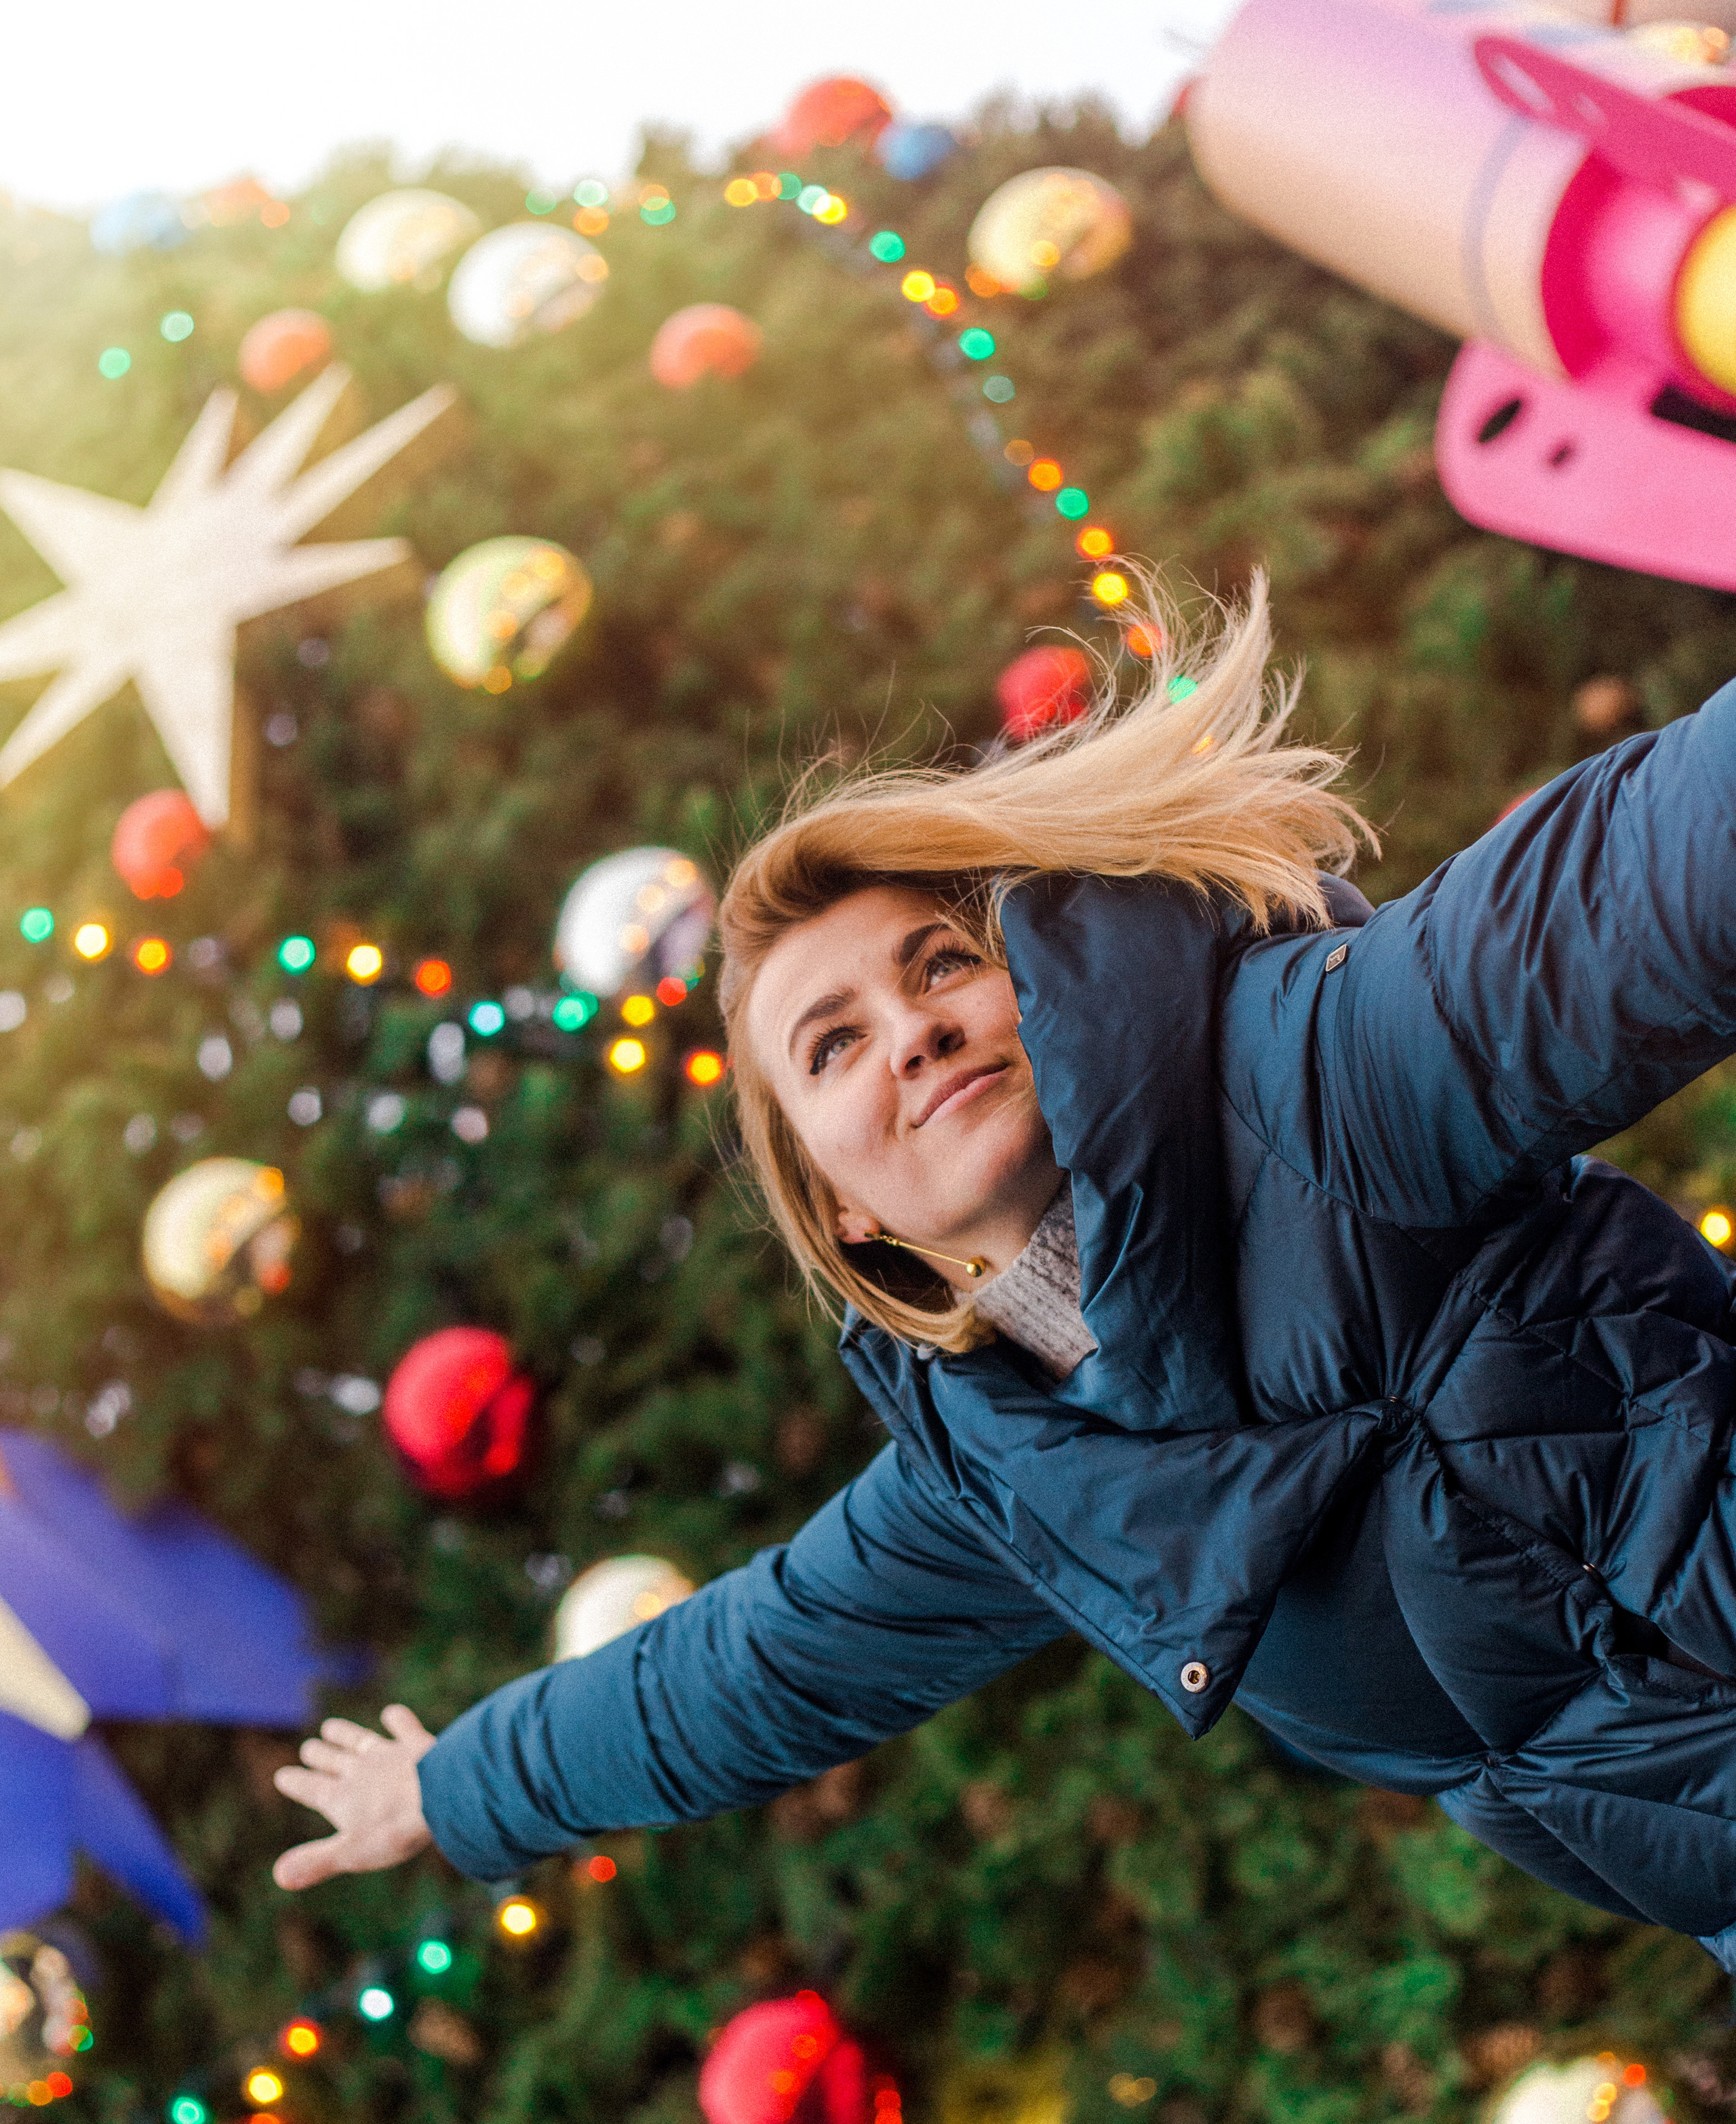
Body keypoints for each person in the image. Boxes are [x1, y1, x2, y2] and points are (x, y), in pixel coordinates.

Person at [275, 579, 1736, 1971]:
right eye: (831, 1045)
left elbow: (1615, 897)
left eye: (934, 966)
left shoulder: (1307, 1074)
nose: (907, 1032)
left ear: (1027, 990)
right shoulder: (1010, 1472)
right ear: (842, 1211)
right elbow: (745, 1673)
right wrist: (458, 1789)